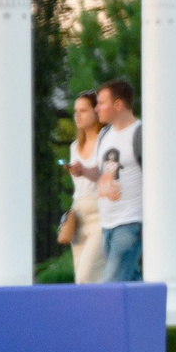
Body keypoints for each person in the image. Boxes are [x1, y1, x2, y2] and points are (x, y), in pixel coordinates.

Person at [81, 78, 143, 283]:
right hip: (107, 224)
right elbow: (102, 174)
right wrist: (83, 171)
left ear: (118, 104)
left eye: (101, 103)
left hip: (130, 223)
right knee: (131, 283)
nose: (96, 108)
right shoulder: (105, 134)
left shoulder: (140, 134)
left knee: (111, 285)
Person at [57, 92, 106, 287]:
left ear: (96, 112)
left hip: (100, 215)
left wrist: (84, 170)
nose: (77, 115)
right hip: (78, 216)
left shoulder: (106, 141)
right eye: (75, 111)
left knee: (88, 273)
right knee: (81, 278)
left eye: (83, 110)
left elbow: (107, 175)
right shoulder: (75, 146)